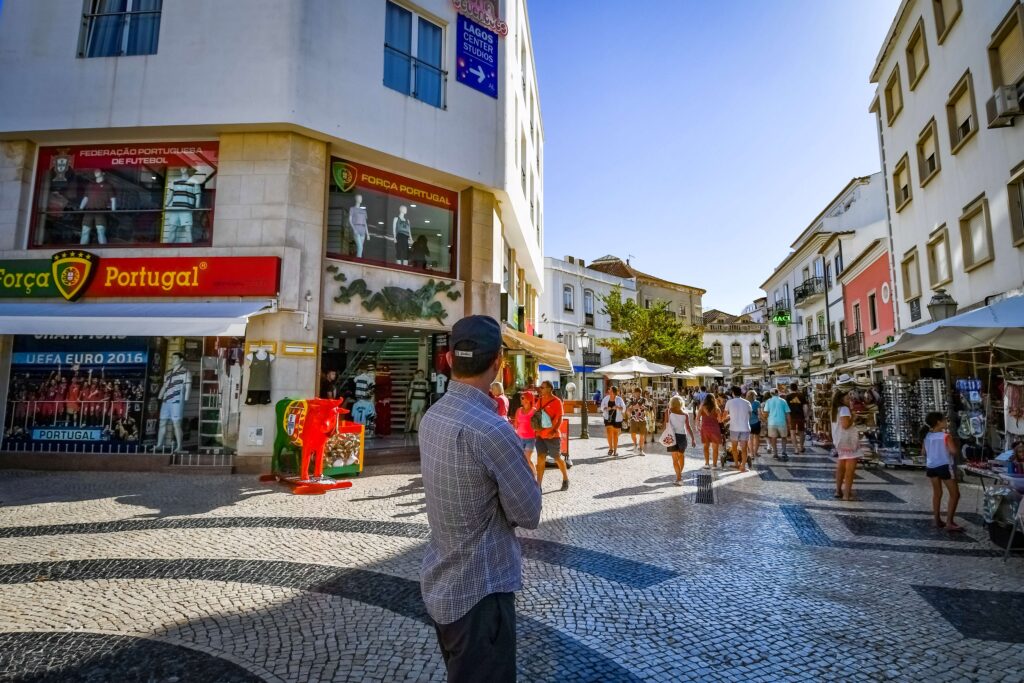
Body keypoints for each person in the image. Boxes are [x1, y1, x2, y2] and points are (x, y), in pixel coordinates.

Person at [419, 315, 542, 682]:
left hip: (443, 586)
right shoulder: (492, 430)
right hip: (482, 593)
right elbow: (529, 511)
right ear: (498, 361)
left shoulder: (432, 417)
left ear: (450, 359)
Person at [922, 411, 963, 531]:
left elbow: (923, 452)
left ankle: (937, 520)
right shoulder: (946, 436)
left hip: (931, 467)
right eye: (945, 420)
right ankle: (949, 522)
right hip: (944, 466)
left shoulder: (926, 436)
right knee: (955, 494)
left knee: (937, 494)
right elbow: (953, 451)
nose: (946, 422)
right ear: (938, 422)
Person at [534, 380, 569, 490]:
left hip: (552, 435)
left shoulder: (557, 401)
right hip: (540, 435)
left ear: (549, 389)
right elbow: (536, 415)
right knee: (540, 458)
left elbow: (560, 418)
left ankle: (565, 478)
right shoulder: (539, 401)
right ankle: (538, 484)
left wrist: (554, 431)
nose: (541, 389)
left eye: (542, 387)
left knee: (557, 458)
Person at [831, 389, 861, 501]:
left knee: (841, 466)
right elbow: (845, 425)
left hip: (839, 441)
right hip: (848, 442)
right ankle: (847, 495)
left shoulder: (835, 409)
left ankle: (838, 491)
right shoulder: (844, 409)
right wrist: (854, 417)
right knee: (850, 469)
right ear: (841, 399)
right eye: (848, 398)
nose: (850, 400)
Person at [665, 395, 696, 486]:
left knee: (675, 460)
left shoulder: (668, 412)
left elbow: (666, 424)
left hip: (672, 437)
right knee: (681, 457)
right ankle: (679, 475)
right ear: (681, 403)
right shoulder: (685, 414)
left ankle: (679, 478)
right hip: (683, 437)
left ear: (672, 403)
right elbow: (688, 427)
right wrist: (693, 439)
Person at [724, 386, 752, 472]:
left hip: (734, 428)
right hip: (745, 428)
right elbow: (750, 414)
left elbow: (725, 415)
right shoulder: (747, 402)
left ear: (733, 393)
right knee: (744, 448)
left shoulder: (729, 402)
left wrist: (728, 418)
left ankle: (736, 464)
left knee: (734, 447)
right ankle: (743, 466)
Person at [762, 388, 791, 461]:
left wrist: (765, 419)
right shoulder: (783, 401)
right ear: (777, 393)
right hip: (782, 422)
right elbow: (787, 413)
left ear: (771, 394)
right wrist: (789, 423)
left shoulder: (768, 401)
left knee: (773, 438)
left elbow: (766, 413)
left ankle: (775, 454)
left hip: (771, 422)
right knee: (784, 437)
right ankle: (784, 452)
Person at [514, 391, 538, 478]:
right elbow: (516, 424)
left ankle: (535, 476)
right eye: (521, 397)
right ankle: (525, 477)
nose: (521, 399)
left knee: (527, 459)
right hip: (520, 438)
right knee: (521, 459)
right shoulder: (518, 410)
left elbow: (538, 425)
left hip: (530, 439)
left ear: (528, 400)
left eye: (523, 398)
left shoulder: (534, 411)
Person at [698, 393, 722, 469]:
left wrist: (698, 426)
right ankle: (714, 465)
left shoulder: (702, 408)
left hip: (705, 428)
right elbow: (720, 420)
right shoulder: (717, 409)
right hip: (715, 429)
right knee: (715, 448)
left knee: (706, 447)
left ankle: (707, 463)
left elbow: (697, 418)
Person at [600, 386, 626, 457]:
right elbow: (602, 407)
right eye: (609, 390)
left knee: (615, 435)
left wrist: (617, 407)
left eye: (610, 390)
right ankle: (610, 448)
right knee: (608, 434)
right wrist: (606, 408)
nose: (609, 391)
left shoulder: (619, 399)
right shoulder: (606, 398)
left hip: (617, 419)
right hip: (608, 418)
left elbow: (624, 408)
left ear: (614, 392)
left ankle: (615, 451)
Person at [626, 387, 649, 455]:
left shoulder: (644, 400)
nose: (637, 394)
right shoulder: (631, 400)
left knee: (642, 435)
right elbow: (627, 408)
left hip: (642, 419)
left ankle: (641, 450)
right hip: (633, 419)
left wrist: (645, 408)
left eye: (638, 393)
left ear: (640, 393)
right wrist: (630, 410)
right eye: (636, 392)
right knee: (633, 434)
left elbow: (649, 408)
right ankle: (635, 444)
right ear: (634, 393)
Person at [786, 382, 808, 454]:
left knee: (792, 433)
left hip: (791, 417)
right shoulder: (801, 396)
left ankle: (796, 449)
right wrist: (805, 415)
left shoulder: (788, 397)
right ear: (797, 388)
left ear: (790, 388)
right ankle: (801, 447)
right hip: (801, 416)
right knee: (801, 432)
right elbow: (805, 407)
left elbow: (786, 408)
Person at [747, 390, 762, 459]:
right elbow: (759, 414)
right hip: (756, 423)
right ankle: (755, 453)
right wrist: (762, 420)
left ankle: (751, 453)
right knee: (757, 439)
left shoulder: (746, 403)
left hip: (748, 423)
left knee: (750, 439)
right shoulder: (757, 402)